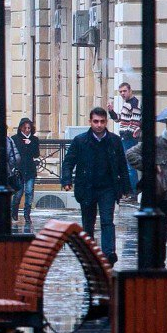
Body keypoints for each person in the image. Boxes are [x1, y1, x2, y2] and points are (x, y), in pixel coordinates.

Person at [60, 107, 131, 264]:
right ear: (90, 122)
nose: (99, 125)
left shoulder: (114, 140)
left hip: (108, 188)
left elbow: (122, 165)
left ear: (106, 122)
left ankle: (108, 253)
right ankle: (89, 253)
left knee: (107, 220)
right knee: (88, 222)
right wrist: (66, 181)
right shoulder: (80, 141)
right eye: (96, 121)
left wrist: (126, 187)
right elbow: (68, 162)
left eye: (102, 121)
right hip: (87, 187)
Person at [127, 117, 167, 269]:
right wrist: (150, 165)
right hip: (159, 196)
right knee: (159, 236)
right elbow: (130, 154)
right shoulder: (155, 143)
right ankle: (160, 268)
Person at [108, 82, 142, 195]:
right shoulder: (127, 104)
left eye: (124, 91)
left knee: (130, 166)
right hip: (125, 137)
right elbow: (120, 119)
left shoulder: (134, 103)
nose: (122, 93)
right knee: (128, 165)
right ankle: (130, 191)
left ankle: (133, 191)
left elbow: (135, 121)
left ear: (130, 90)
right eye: (121, 91)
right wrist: (111, 111)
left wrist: (128, 134)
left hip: (129, 138)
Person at [11, 117, 39, 228]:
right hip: (19, 170)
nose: (27, 130)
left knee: (29, 193)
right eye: (25, 128)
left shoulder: (34, 139)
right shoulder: (15, 139)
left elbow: (36, 154)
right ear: (21, 128)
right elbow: (13, 153)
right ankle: (14, 214)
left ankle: (27, 215)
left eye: (29, 128)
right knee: (18, 194)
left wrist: (30, 143)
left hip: (30, 170)